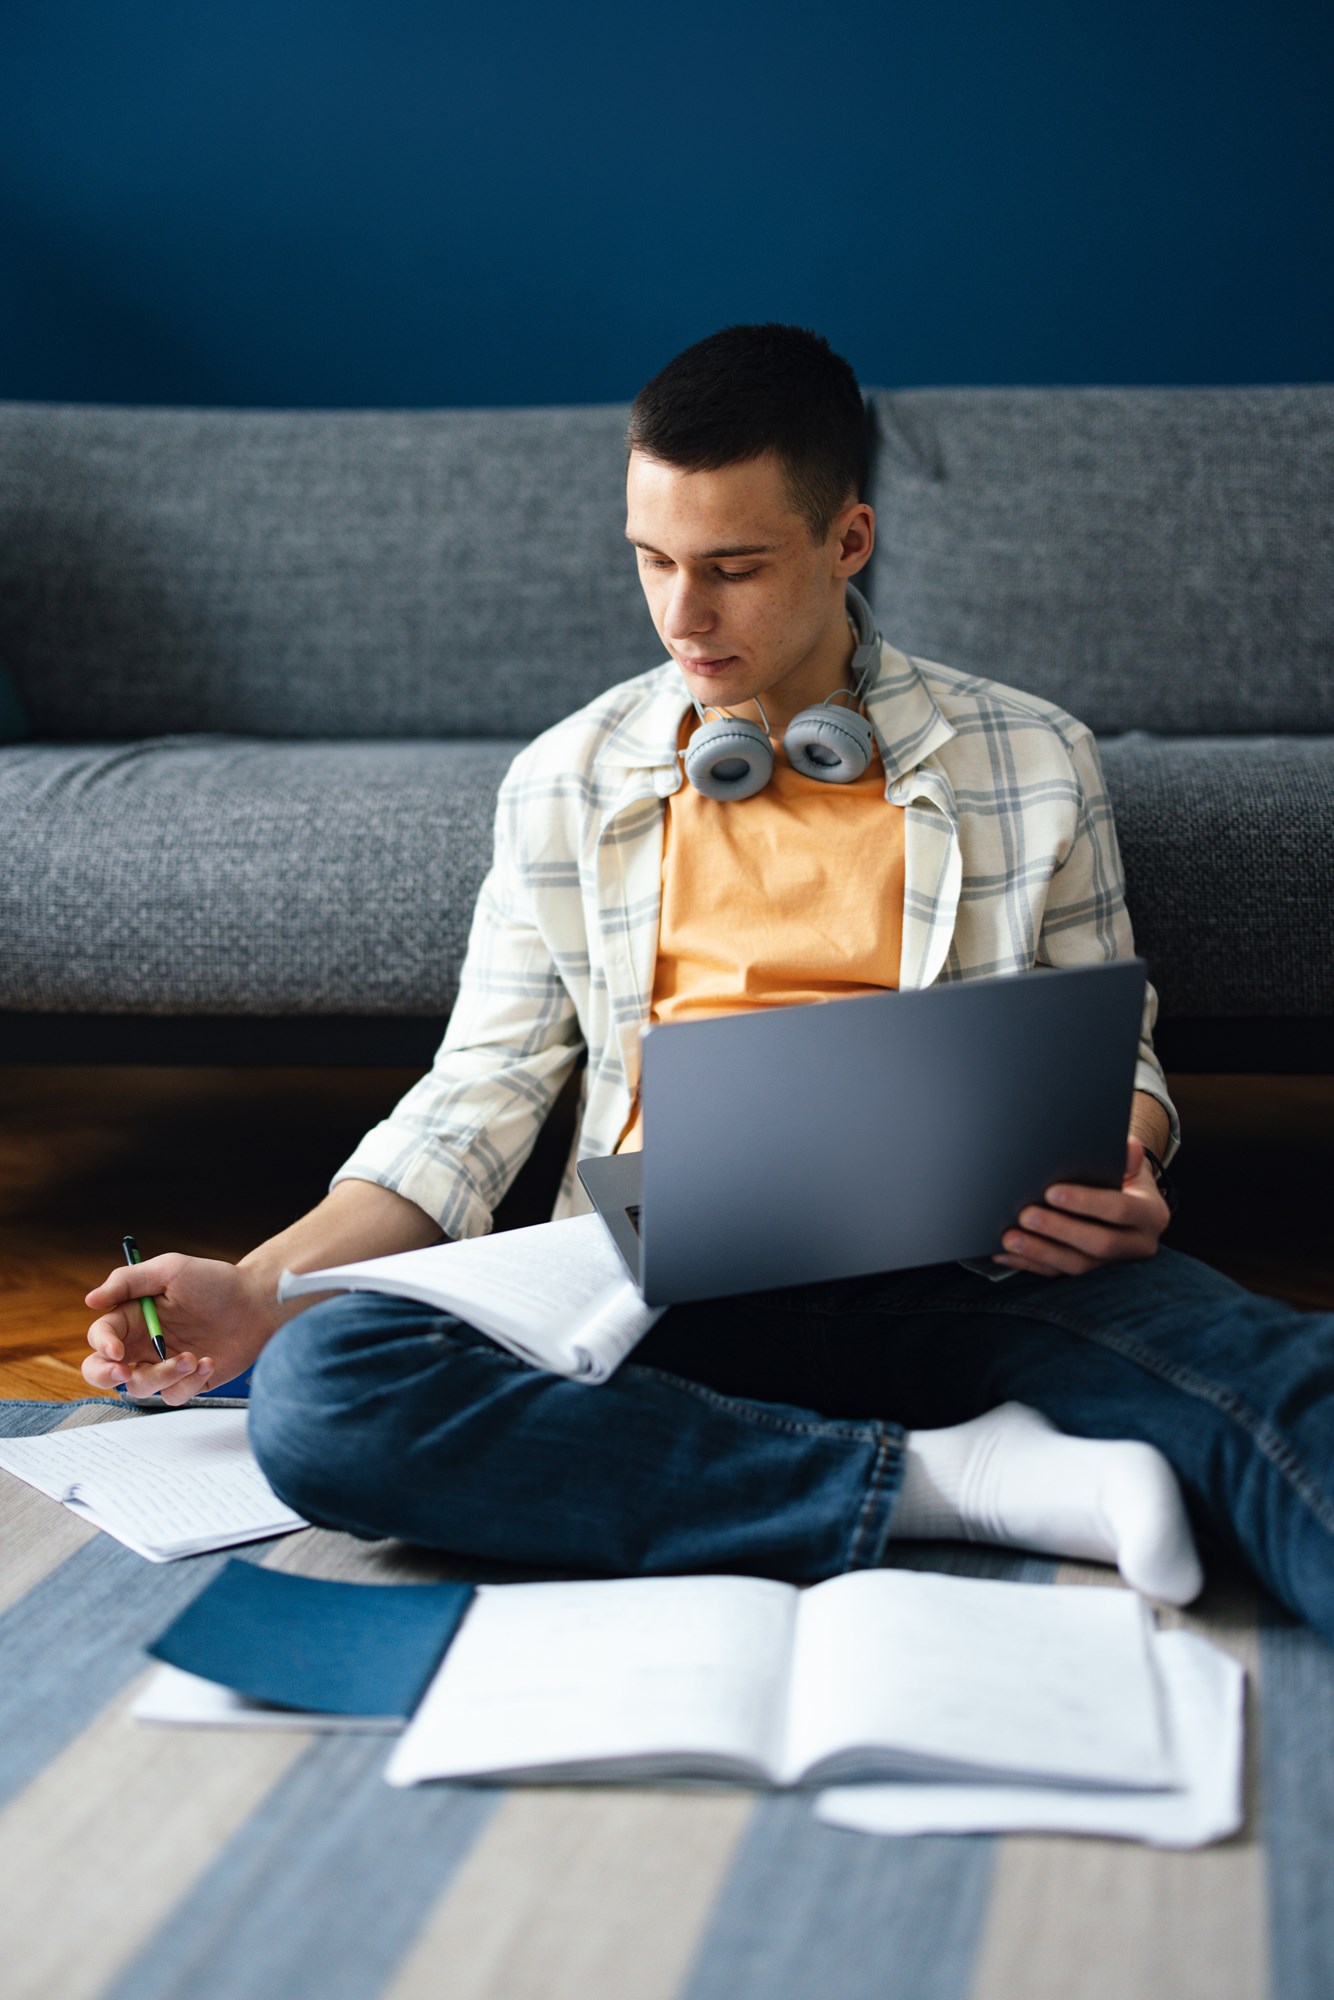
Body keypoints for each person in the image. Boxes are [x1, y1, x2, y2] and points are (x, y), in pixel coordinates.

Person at [83, 325, 1334, 1642]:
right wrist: (265, 1288)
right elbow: (477, 1096)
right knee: (329, 1394)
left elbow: (1111, 1052)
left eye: (732, 569)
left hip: (972, 1269)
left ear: (847, 542)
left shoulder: (1028, 758)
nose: (684, 615)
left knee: (1282, 1385)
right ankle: (962, 1483)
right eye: (654, 562)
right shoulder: (567, 780)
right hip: (647, 1287)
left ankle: (782, 1467)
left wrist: (1119, 1170)